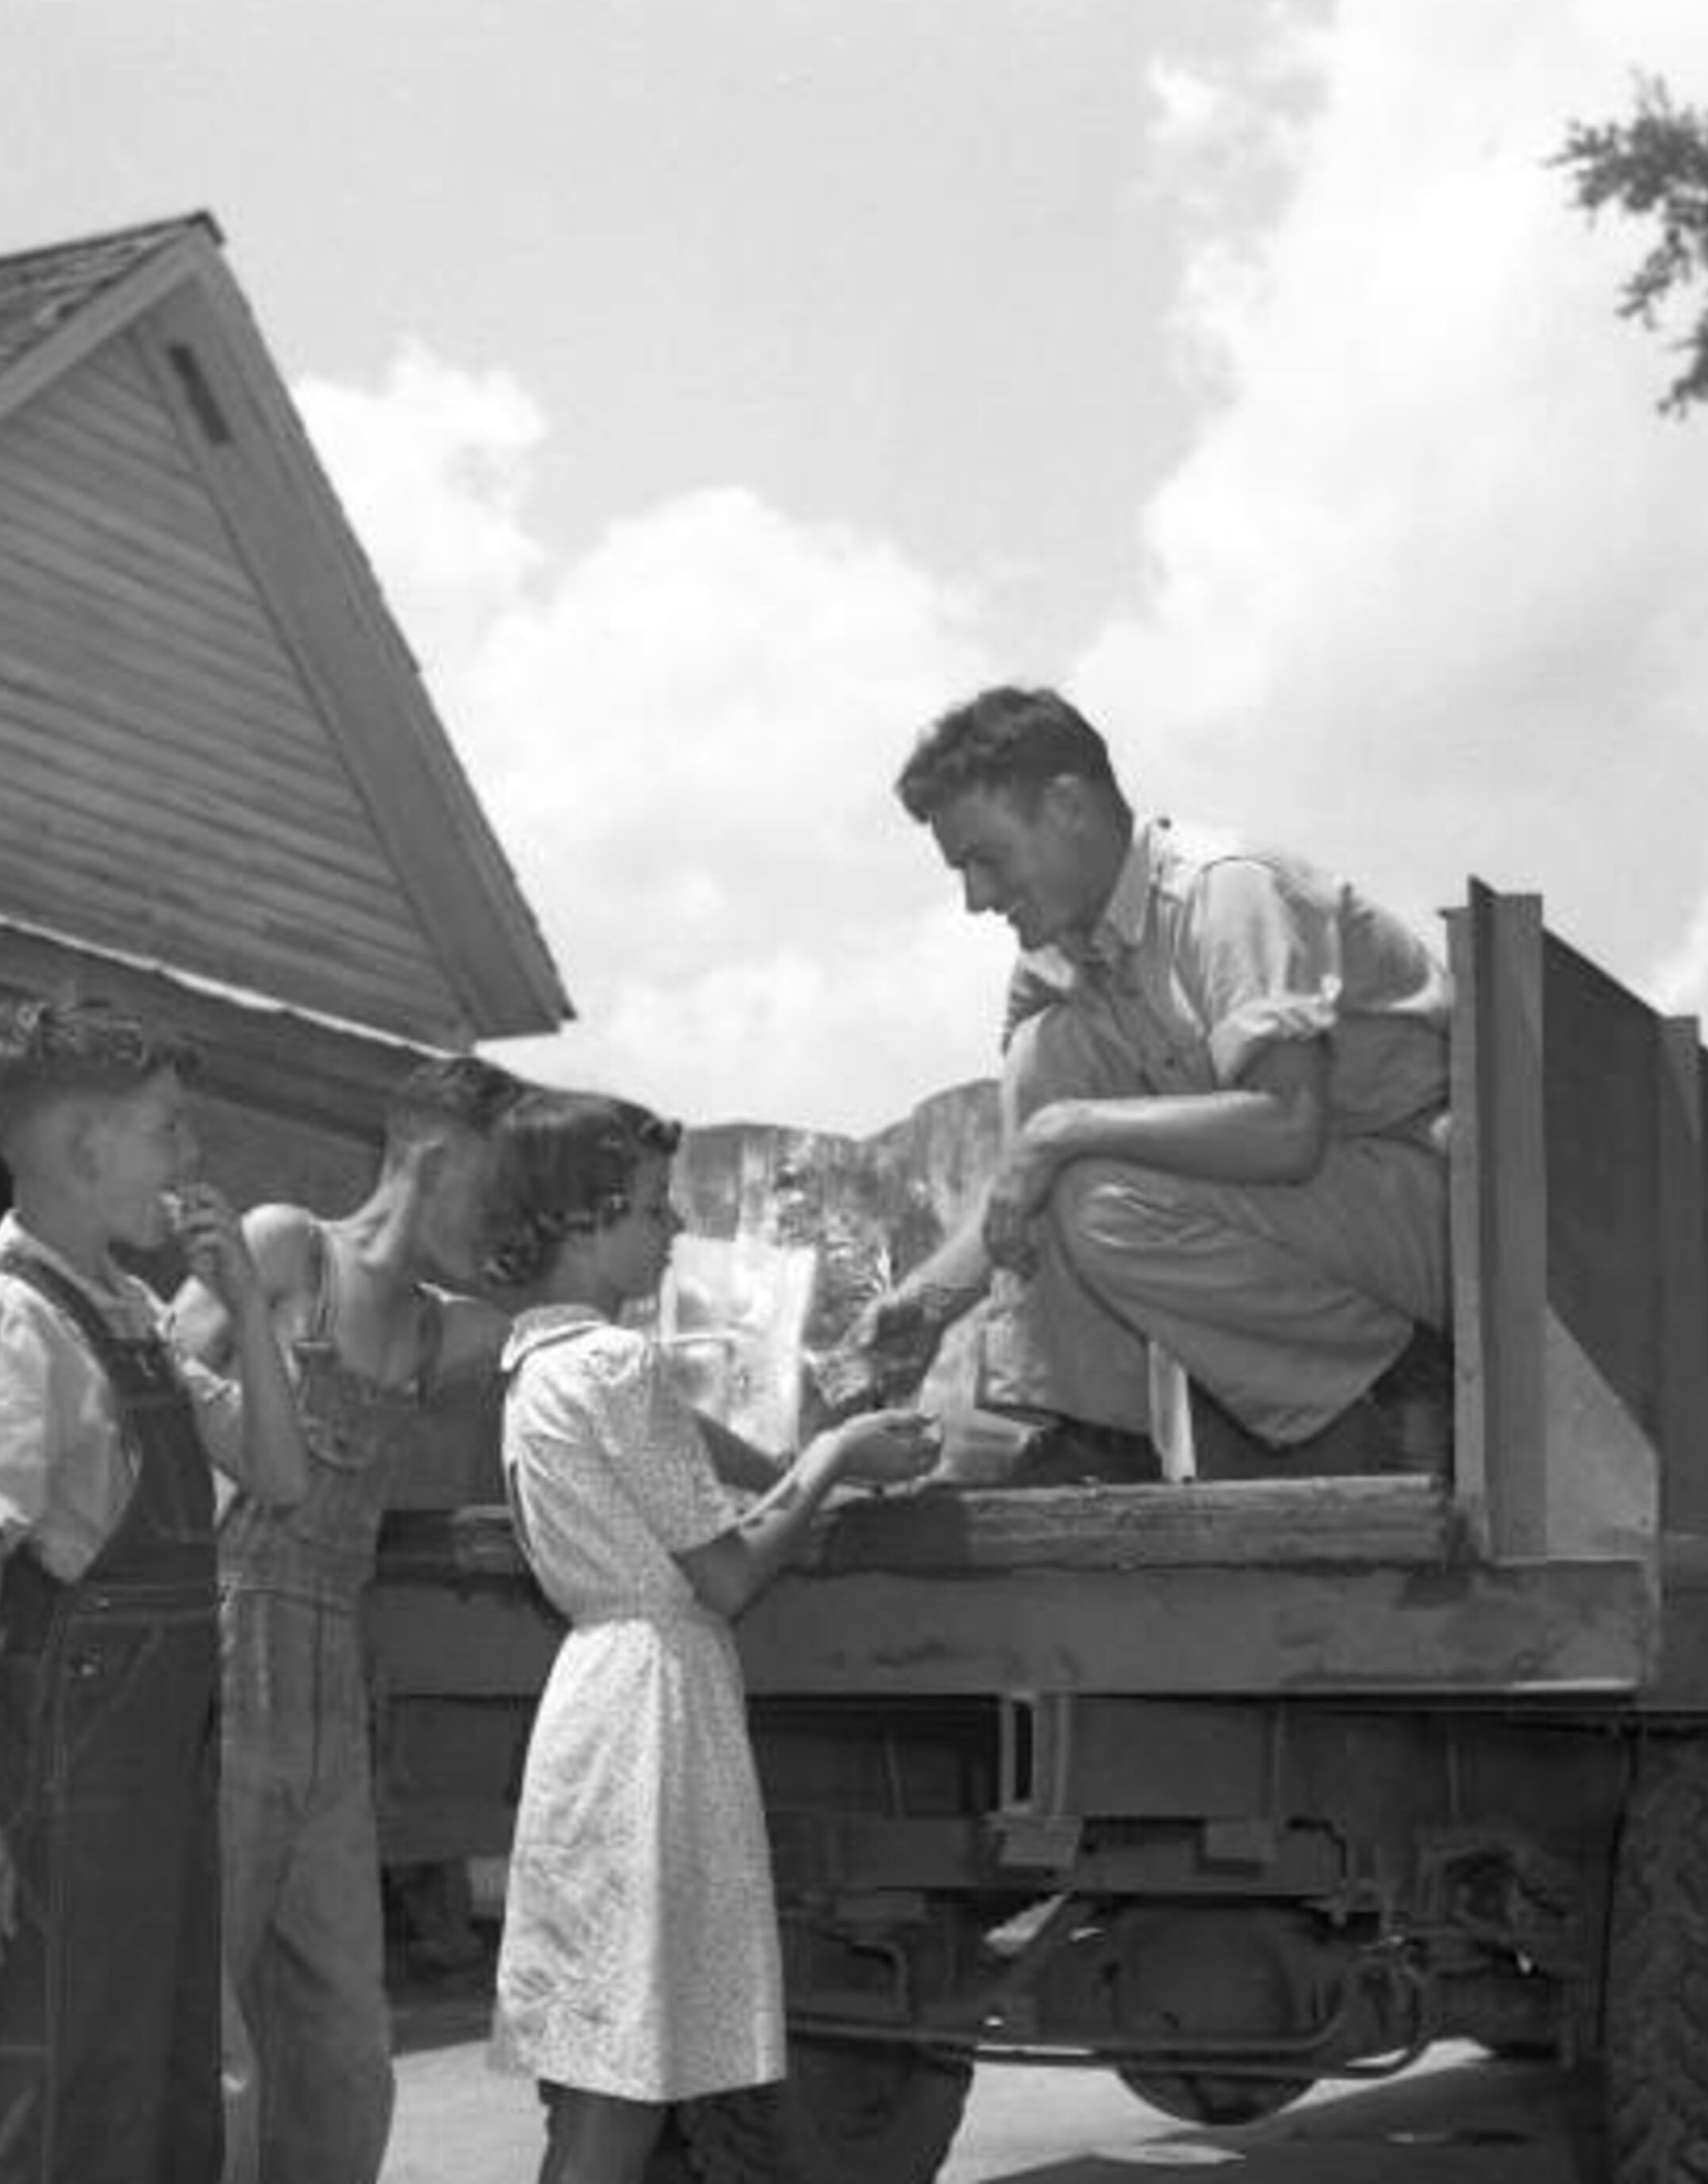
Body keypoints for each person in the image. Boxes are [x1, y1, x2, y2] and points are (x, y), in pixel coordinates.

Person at [480, 1087, 942, 2184]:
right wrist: (831, 1462)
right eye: (652, 1207)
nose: (673, 1228)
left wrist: (801, 1456)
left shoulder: (535, 1366)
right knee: (631, 2060)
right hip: (653, 1709)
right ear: (581, 1220)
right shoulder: (614, 1364)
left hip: (600, 1694)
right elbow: (728, 1574)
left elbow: (689, 1494)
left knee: (608, 2050)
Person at [0, 995, 307, 2184]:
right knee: (45, 2093)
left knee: (150, 2082)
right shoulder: (8, 1320)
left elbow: (279, 1474)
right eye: (168, 1128)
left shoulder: (130, 1312)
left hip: (158, 1771)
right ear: (84, 1146)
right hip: (65, 1773)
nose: (191, 1155)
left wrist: (248, 1308)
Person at [852, 684, 1455, 1481]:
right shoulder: (1061, 955)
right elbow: (1026, 1179)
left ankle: (1401, 1386)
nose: (976, 898)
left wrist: (1065, 1129)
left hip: (1433, 1214)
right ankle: (1096, 1437)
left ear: (1067, 806)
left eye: (986, 860)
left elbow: (1287, 1128)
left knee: (1091, 1189)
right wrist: (931, 1301)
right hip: (1302, 1220)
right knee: (1045, 1051)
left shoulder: (1224, 891)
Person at [165, 1052, 528, 2184]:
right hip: (221, 1655)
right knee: (202, 2013)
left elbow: (599, 1346)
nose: (508, 1221)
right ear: (438, 1156)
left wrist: (802, 1457)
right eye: (502, 1187)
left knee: (341, 2040)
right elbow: (142, 1403)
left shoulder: (442, 1327)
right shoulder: (286, 1247)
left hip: (333, 1693)